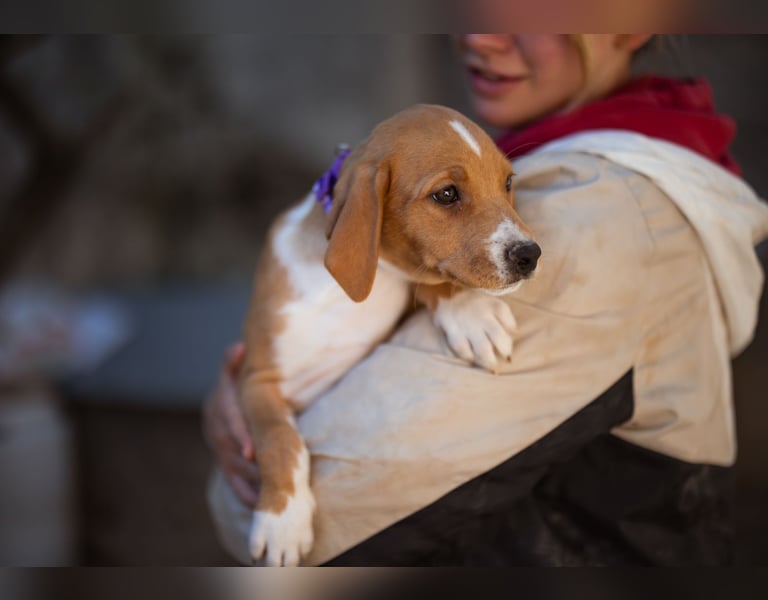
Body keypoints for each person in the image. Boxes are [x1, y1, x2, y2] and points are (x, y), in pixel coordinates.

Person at [204, 35, 768, 565]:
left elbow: (309, 519)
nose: (480, 38)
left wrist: (239, 459)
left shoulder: (611, 211)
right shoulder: (543, 150)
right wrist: (256, 399)